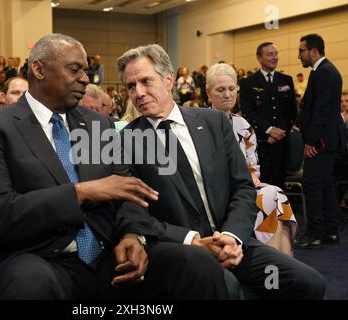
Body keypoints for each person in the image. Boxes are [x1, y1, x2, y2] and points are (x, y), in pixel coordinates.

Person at [0, 33, 229, 300]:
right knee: (29, 280)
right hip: (38, 258)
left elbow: (128, 192)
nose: (85, 78)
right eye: (74, 69)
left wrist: (131, 235)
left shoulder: (97, 125)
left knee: (196, 264)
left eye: (86, 70)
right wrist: (81, 193)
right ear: (39, 69)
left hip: (106, 259)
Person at [117, 43, 325, 299]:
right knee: (229, 289)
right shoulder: (126, 140)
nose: (138, 92)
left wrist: (233, 236)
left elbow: (243, 187)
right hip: (184, 250)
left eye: (146, 81)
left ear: (168, 79)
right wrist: (191, 239)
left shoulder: (214, 122)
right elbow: (134, 212)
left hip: (234, 242)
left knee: (309, 283)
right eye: (130, 86)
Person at [207, 63, 297, 255]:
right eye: (220, 90)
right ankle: (275, 266)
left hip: (243, 186)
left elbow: (253, 165)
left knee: (276, 196)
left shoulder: (243, 126)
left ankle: (279, 265)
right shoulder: (198, 123)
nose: (227, 94)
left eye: (232, 89)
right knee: (271, 196)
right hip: (214, 190)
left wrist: (252, 177)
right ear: (208, 92)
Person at [295, 34, 345, 248]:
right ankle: (330, 231)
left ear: (314, 51)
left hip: (321, 142)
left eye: (302, 51)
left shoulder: (324, 72)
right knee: (325, 186)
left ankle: (314, 234)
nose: (299, 56)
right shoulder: (325, 71)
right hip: (326, 139)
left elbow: (321, 110)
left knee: (312, 186)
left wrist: (311, 141)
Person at [240, 42, 297, 190]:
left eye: (276, 54)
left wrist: (279, 131)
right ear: (259, 58)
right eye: (270, 54)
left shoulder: (286, 80)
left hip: (281, 143)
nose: (275, 58)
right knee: (261, 185)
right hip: (259, 142)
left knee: (279, 184)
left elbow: (291, 110)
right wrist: (269, 130)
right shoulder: (248, 82)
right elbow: (248, 112)